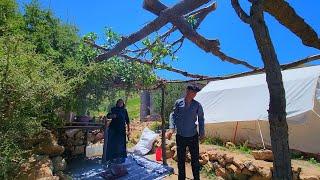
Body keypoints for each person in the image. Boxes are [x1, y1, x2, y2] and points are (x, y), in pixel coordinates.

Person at [167, 85, 205, 180]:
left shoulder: (197, 105)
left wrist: (202, 132)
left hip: (193, 136)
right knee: (181, 160)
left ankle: (196, 178)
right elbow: (173, 115)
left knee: (195, 160)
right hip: (180, 136)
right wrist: (171, 128)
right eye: (193, 92)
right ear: (187, 91)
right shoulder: (178, 103)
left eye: (196, 92)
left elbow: (201, 119)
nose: (195, 94)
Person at [102, 99, 130, 164]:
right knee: (113, 144)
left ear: (123, 104)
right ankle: (111, 158)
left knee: (121, 144)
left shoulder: (124, 111)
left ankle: (121, 158)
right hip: (113, 130)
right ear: (117, 103)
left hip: (121, 130)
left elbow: (127, 121)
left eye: (121, 103)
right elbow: (108, 115)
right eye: (119, 102)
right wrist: (111, 116)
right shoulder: (113, 109)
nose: (120, 104)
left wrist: (129, 130)